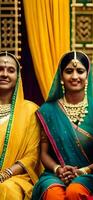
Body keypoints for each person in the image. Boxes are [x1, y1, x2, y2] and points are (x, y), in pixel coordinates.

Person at [32, 51, 93, 200]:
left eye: (80, 71)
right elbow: (44, 153)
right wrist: (58, 169)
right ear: (61, 76)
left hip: (90, 173)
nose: (75, 76)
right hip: (56, 174)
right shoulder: (48, 110)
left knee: (74, 192)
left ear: (87, 75)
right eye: (69, 71)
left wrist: (83, 171)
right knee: (53, 194)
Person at [0, 51, 42, 199]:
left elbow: (32, 155)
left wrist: (6, 174)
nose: (4, 74)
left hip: (17, 178)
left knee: (6, 189)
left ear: (18, 77)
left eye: (11, 70)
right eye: (0, 69)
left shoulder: (31, 111)